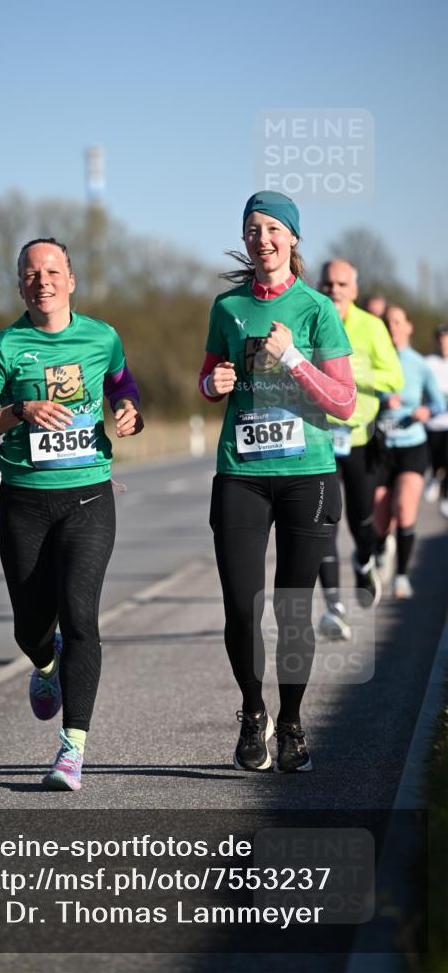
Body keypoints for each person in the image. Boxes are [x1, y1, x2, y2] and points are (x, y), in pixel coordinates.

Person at [0, 238, 143, 790]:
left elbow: (122, 385)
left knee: (81, 616)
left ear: (71, 280)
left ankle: (72, 749)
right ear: (21, 285)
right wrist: (20, 410)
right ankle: (45, 662)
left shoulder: (102, 336)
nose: (43, 281)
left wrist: (129, 410)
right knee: (32, 628)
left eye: (53, 271)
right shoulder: (4, 346)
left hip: (89, 497)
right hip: (25, 502)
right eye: (32, 274)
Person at [199, 192, 355, 773]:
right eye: (252, 229)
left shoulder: (317, 308)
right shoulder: (227, 307)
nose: (261, 239)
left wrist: (293, 359)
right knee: (241, 607)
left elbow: (344, 401)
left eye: (271, 229)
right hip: (240, 474)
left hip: (305, 476)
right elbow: (208, 379)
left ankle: (290, 723)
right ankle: (252, 711)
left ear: (292, 238)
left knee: (292, 609)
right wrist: (212, 385)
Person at [316, 260, 403, 640]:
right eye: (328, 283)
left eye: (342, 284)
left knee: (362, 521)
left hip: (359, 440)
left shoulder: (371, 327)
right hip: (319, 438)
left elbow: (394, 378)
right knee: (323, 522)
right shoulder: (311, 319)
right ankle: (334, 608)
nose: (334, 289)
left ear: (354, 289)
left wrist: (351, 372)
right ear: (320, 286)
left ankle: (364, 560)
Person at [373, 305, 445, 598]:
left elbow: (439, 402)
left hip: (412, 445)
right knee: (380, 516)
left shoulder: (419, 364)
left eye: (397, 322)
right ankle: (381, 547)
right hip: (379, 447)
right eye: (387, 322)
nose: (392, 327)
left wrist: (426, 411)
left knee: (404, 508)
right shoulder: (373, 360)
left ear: (408, 326)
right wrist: (381, 404)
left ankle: (401, 576)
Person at [424, 324, 448, 518]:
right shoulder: (428, 362)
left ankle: (446, 496)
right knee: (436, 458)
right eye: (440, 339)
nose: (443, 343)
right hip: (433, 423)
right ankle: (434, 476)